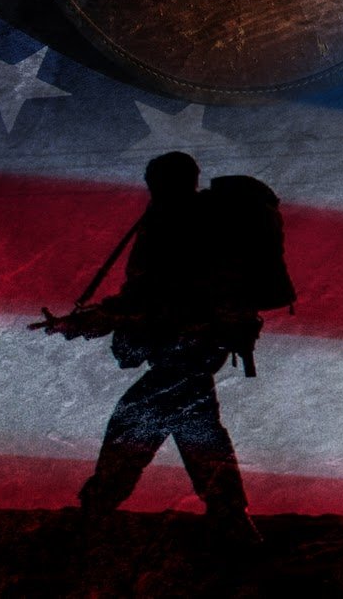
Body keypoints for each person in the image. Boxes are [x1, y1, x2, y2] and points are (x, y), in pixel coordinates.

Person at [72, 152, 259, 542]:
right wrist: (101, 317)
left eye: (155, 180)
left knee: (136, 424)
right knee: (196, 430)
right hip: (194, 349)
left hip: (186, 347)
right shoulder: (196, 221)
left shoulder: (176, 224)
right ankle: (232, 520)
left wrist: (106, 319)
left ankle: (95, 512)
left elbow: (157, 295)